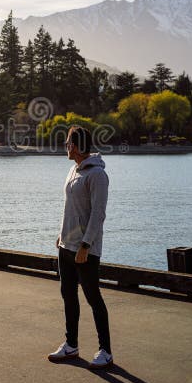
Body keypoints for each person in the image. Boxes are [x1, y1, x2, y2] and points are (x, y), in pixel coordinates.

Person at [47, 125, 112, 369]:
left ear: (76, 146)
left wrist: (86, 244)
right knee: (68, 295)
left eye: (67, 143)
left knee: (93, 298)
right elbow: (70, 208)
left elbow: (98, 214)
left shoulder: (97, 175)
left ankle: (105, 350)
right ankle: (71, 345)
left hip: (85, 249)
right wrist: (61, 236)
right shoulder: (72, 171)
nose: (65, 147)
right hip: (66, 245)